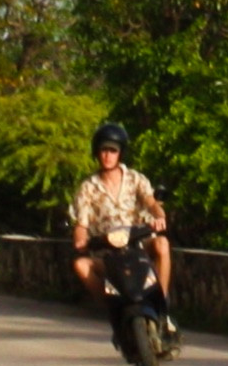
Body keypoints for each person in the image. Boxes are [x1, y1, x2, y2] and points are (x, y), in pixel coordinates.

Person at [69, 121, 177, 346]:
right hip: (107, 253)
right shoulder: (88, 187)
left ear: (120, 153)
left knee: (162, 245)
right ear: (96, 153)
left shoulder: (136, 179)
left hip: (138, 244)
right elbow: (82, 222)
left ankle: (161, 304)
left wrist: (159, 216)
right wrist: (80, 238)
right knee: (81, 265)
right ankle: (113, 310)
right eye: (103, 150)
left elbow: (150, 202)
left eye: (113, 150)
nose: (107, 155)